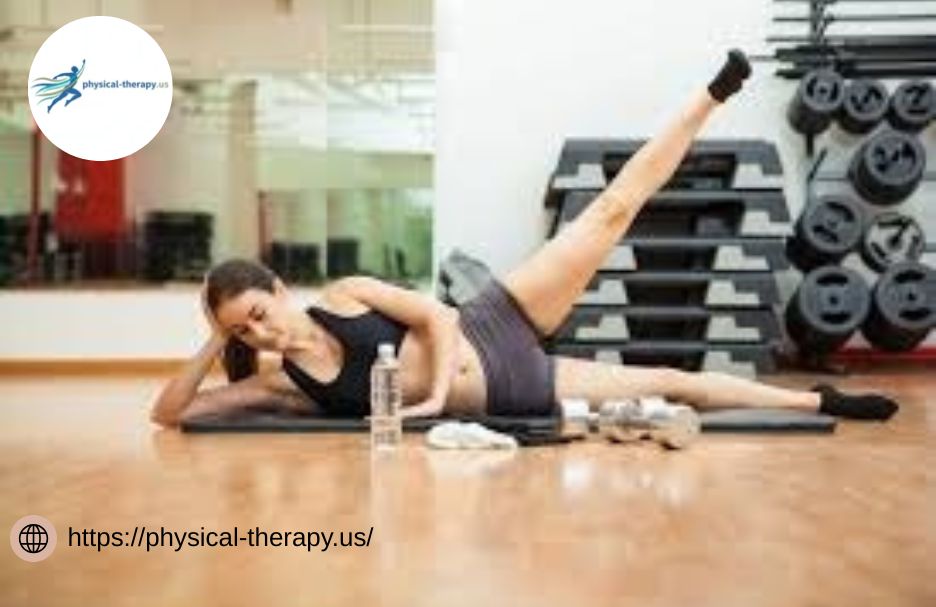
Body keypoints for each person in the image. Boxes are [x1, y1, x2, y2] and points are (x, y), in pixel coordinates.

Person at [149, 50, 898, 429]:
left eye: (257, 311)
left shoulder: (344, 295)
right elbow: (171, 414)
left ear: (279, 288)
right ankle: (818, 402)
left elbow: (435, 315)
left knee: (609, 212)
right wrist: (215, 338)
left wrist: (433, 396)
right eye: (243, 329)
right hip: (514, 386)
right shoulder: (284, 384)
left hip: (493, 320)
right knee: (670, 381)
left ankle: (711, 95)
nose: (260, 330)